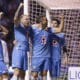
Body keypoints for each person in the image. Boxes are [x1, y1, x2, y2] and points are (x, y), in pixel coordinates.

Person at [11, 3, 30, 80]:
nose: (27, 20)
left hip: (25, 51)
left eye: (28, 19)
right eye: (26, 19)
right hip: (18, 50)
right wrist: (19, 7)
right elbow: (15, 19)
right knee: (17, 71)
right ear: (21, 19)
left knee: (23, 74)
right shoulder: (18, 26)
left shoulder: (28, 28)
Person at [48, 14, 67, 80]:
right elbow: (60, 29)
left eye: (55, 23)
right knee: (50, 75)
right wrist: (62, 19)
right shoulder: (49, 31)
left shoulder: (61, 35)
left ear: (58, 25)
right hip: (49, 57)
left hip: (58, 57)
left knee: (57, 76)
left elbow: (64, 46)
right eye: (52, 23)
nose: (53, 24)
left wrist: (65, 57)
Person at [30, 15, 50, 80]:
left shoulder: (49, 30)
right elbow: (28, 27)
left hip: (46, 56)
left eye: (47, 20)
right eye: (45, 20)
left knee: (44, 74)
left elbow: (59, 30)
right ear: (40, 21)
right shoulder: (34, 29)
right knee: (34, 74)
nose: (47, 21)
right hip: (36, 56)